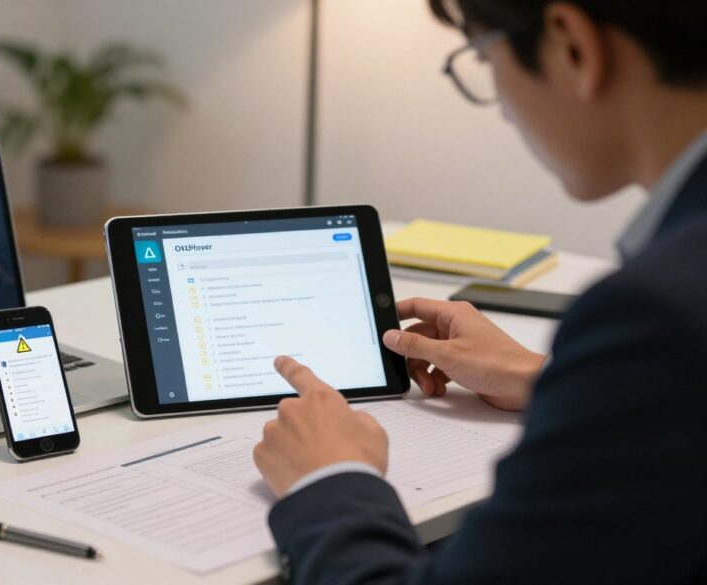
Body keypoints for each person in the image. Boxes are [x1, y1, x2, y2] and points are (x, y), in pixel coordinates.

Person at [253, 1, 707, 583]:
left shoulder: (655, 315)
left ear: (573, 45)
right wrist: (541, 377)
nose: (503, 112)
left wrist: (330, 480)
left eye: (484, 56)